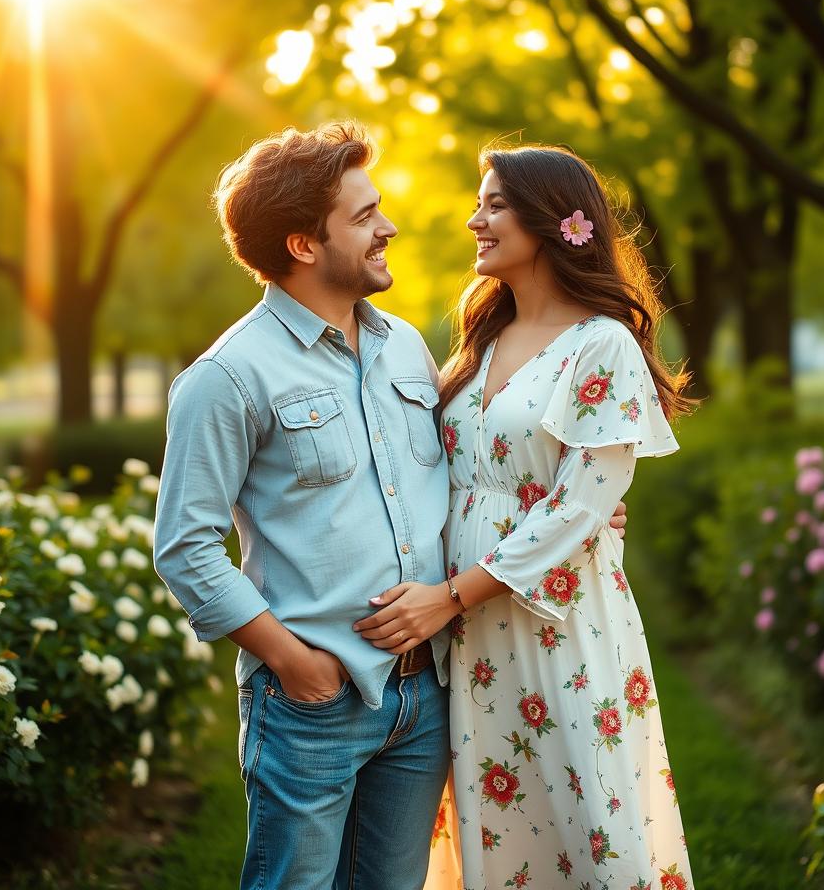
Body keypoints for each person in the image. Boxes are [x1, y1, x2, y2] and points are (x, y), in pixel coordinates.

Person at [153, 122, 627, 890]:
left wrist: (581, 507)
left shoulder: (406, 347)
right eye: (365, 216)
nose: (389, 227)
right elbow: (185, 545)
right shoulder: (229, 377)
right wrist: (291, 662)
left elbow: (471, 470)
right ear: (305, 245)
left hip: (427, 693)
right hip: (315, 699)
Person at [354, 144, 695, 890]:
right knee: (498, 828)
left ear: (553, 221)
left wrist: (448, 598)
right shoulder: (482, 341)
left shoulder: (601, 343)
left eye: (495, 205)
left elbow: (579, 505)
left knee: (583, 821)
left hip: (557, 621)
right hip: (471, 635)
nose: (475, 220)